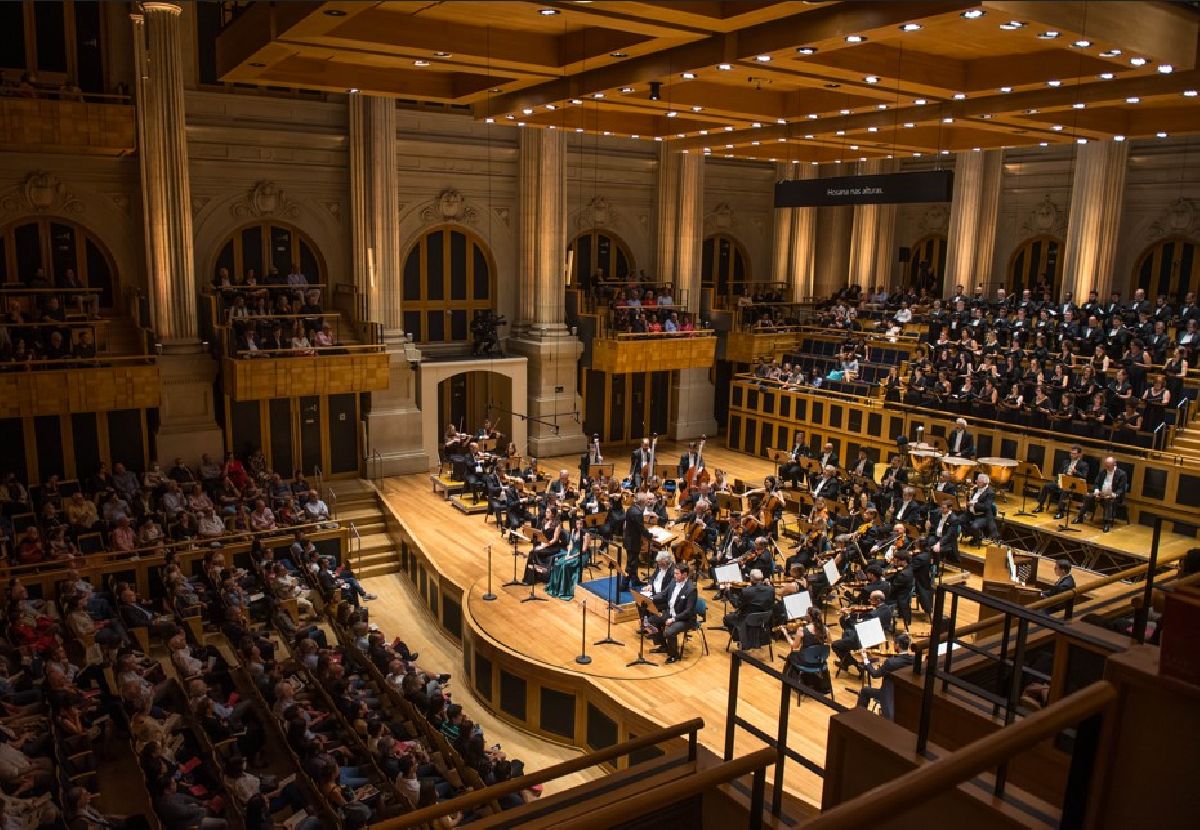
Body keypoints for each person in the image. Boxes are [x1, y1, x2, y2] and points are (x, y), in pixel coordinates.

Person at [856, 632, 915, 720]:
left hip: (889, 693)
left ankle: (859, 718)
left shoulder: (891, 662)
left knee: (865, 691)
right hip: (903, 692)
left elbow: (875, 674)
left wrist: (865, 659)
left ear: (897, 645)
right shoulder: (914, 660)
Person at [646, 565, 696, 664]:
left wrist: (673, 619)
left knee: (669, 631)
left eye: (677, 574)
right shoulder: (673, 581)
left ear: (685, 575)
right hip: (670, 613)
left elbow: (688, 611)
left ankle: (674, 655)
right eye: (675, 573)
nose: (674, 575)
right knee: (651, 621)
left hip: (684, 619)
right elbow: (663, 594)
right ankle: (664, 646)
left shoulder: (691, 589)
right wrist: (650, 598)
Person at [1074, 456, 1128, 533]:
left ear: (1114, 464)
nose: (1107, 466)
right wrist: (1096, 490)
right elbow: (1096, 483)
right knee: (1088, 496)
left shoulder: (1122, 474)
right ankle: (1080, 517)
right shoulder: (1102, 472)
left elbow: (1121, 489)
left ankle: (1106, 523)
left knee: (1108, 501)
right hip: (1101, 493)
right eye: (1106, 464)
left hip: (1114, 496)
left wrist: (1113, 495)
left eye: (1109, 464)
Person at [1035, 445, 1088, 518]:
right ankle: (1040, 506)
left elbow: (1084, 476)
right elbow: (1059, 473)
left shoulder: (1084, 464)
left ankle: (1060, 512)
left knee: (1065, 490)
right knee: (1046, 486)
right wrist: (1058, 481)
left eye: (1074, 453)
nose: (1072, 455)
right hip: (1062, 483)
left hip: (1072, 486)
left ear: (1079, 454)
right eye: (1071, 453)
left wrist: (1076, 472)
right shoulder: (1066, 462)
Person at [723, 568, 773, 638]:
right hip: (764, 618)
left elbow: (736, 605)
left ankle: (739, 639)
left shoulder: (746, 591)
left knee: (726, 618)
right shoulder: (771, 589)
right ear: (762, 577)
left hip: (747, 619)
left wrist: (728, 591)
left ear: (751, 579)